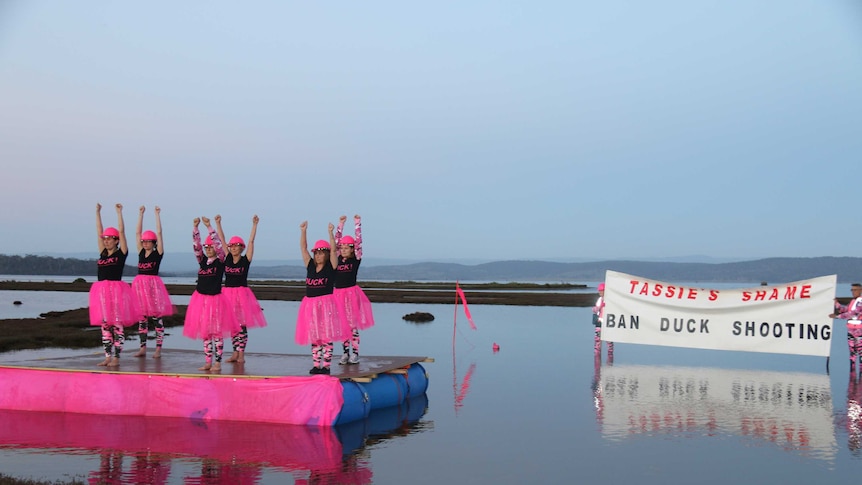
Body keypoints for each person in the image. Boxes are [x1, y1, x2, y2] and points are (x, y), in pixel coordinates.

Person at [183, 217, 240, 372]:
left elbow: (220, 245)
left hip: (215, 300)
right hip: (201, 300)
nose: (208, 249)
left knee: (217, 333)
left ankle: (218, 362)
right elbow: (196, 247)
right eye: (206, 247)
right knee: (205, 333)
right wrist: (195, 228)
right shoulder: (201, 261)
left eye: (210, 247)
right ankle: (207, 361)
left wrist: (209, 227)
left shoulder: (220, 261)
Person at [89, 203, 141, 367]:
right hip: (101, 292)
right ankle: (107, 356)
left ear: (116, 240)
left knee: (117, 324)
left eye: (109, 238)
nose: (106, 241)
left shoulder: (121, 253)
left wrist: (119, 213)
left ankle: (117, 357)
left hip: (117, 291)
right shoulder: (102, 253)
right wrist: (97, 212)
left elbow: (123, 232)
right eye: (104, 239)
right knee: (105, 325)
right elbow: (98, 231)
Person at [295, 221, 346, 375]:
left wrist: (330, 233)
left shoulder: (331, 267)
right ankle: (316, 365)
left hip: (326, 305)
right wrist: (303, 231)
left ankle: (326, 365)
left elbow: (333, 252)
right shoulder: (310, 265)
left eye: (321, 252)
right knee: (315, 336)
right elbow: (303, 249)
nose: (318, 255)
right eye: (316, 253)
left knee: (326, 336)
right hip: (310, 305)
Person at [215, 214, 267, 364]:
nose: (234, 248)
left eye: (237, 246)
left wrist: (254, 225)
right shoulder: (227, 258)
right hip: (227, 294)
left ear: (241, 248)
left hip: (242, 294)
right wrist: (218, 223)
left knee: (242, 325)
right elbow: (222, 240)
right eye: (232, 246)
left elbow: (251, 241)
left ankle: (241, 353)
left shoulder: (245, 260)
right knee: (232, 324)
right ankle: (234, 353)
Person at [131, 205, 174, 359]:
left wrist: (157, 215)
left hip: (153, 288)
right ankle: (142, 348)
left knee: (157, 319)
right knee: (142, 320)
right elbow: (137, 232)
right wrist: (141, 214)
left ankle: (158, 349)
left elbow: (160, 233)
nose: (145, 244)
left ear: (154, 243)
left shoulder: (158, 253)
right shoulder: (141, 252)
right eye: (144, 241)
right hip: (139, 288)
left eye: (149, 242)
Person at [333, 214, 375, 365]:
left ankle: (355, 353)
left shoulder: (355, 259)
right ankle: (345, 353)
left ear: (351, 250)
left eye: (346, 248)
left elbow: (358, 243)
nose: (343, 250)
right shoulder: (337, 258)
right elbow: (336, 241)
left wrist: (357, 223)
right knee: (343, 325)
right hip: (338, 294)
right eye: (342, 248)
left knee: (352, 326)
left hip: (351, 294)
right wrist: (340, 224)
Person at [830, 283, 862, 367]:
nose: (853, 292)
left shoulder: (861, 302)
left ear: (860, 291)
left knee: (860, 351)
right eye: (852, 290)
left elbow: (853, 314)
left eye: (855, 290)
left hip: (859, 331)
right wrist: (837, 304)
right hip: (851, 329)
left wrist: (837, 316)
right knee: (852, 353)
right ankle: (852, 374)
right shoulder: (852, 301)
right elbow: (845, 310)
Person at [592, 283, 613, 357]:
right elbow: (595, 309)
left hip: (608, 322)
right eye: (599, 291)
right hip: (599, 322)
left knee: (609, 341)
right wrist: (598, 307)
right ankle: (597, 356)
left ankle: (610, 357)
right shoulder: (599, 299)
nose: (600, 292)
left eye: (602, 290)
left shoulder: (610, 300)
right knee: (597, 340)